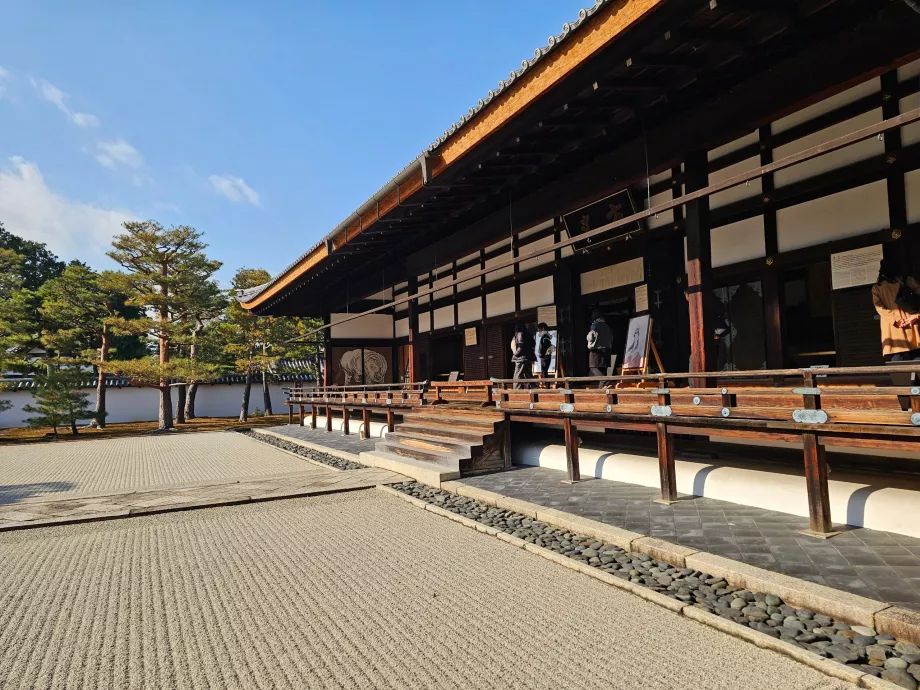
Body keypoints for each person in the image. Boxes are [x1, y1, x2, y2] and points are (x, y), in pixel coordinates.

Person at [872, 258, 920, 361]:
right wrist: (915, 316)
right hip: (913, 324)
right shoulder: (909, 281)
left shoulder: (878, 288)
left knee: (897, 361)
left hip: (893, 328)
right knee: (917, 356)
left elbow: (879, 307)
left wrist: (896, 320)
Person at [586, 308, 613, 387]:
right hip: (607, 350)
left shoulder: (595, 325)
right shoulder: (607, 326)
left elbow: (591, 336)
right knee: (603, 369)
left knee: (593, 367)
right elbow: (612, 338)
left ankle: (605, 380)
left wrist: (588, 341)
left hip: (597, 350)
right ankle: (603, 389)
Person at [510, 323, 535, 389]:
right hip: (528, 358)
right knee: (529, 375)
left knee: (517, 375)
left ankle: (517, 390)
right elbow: (533, 344)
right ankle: (534, 388)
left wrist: (515, 355)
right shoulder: (528, 335)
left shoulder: (519, 334)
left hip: (521, 358)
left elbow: (520, 347)